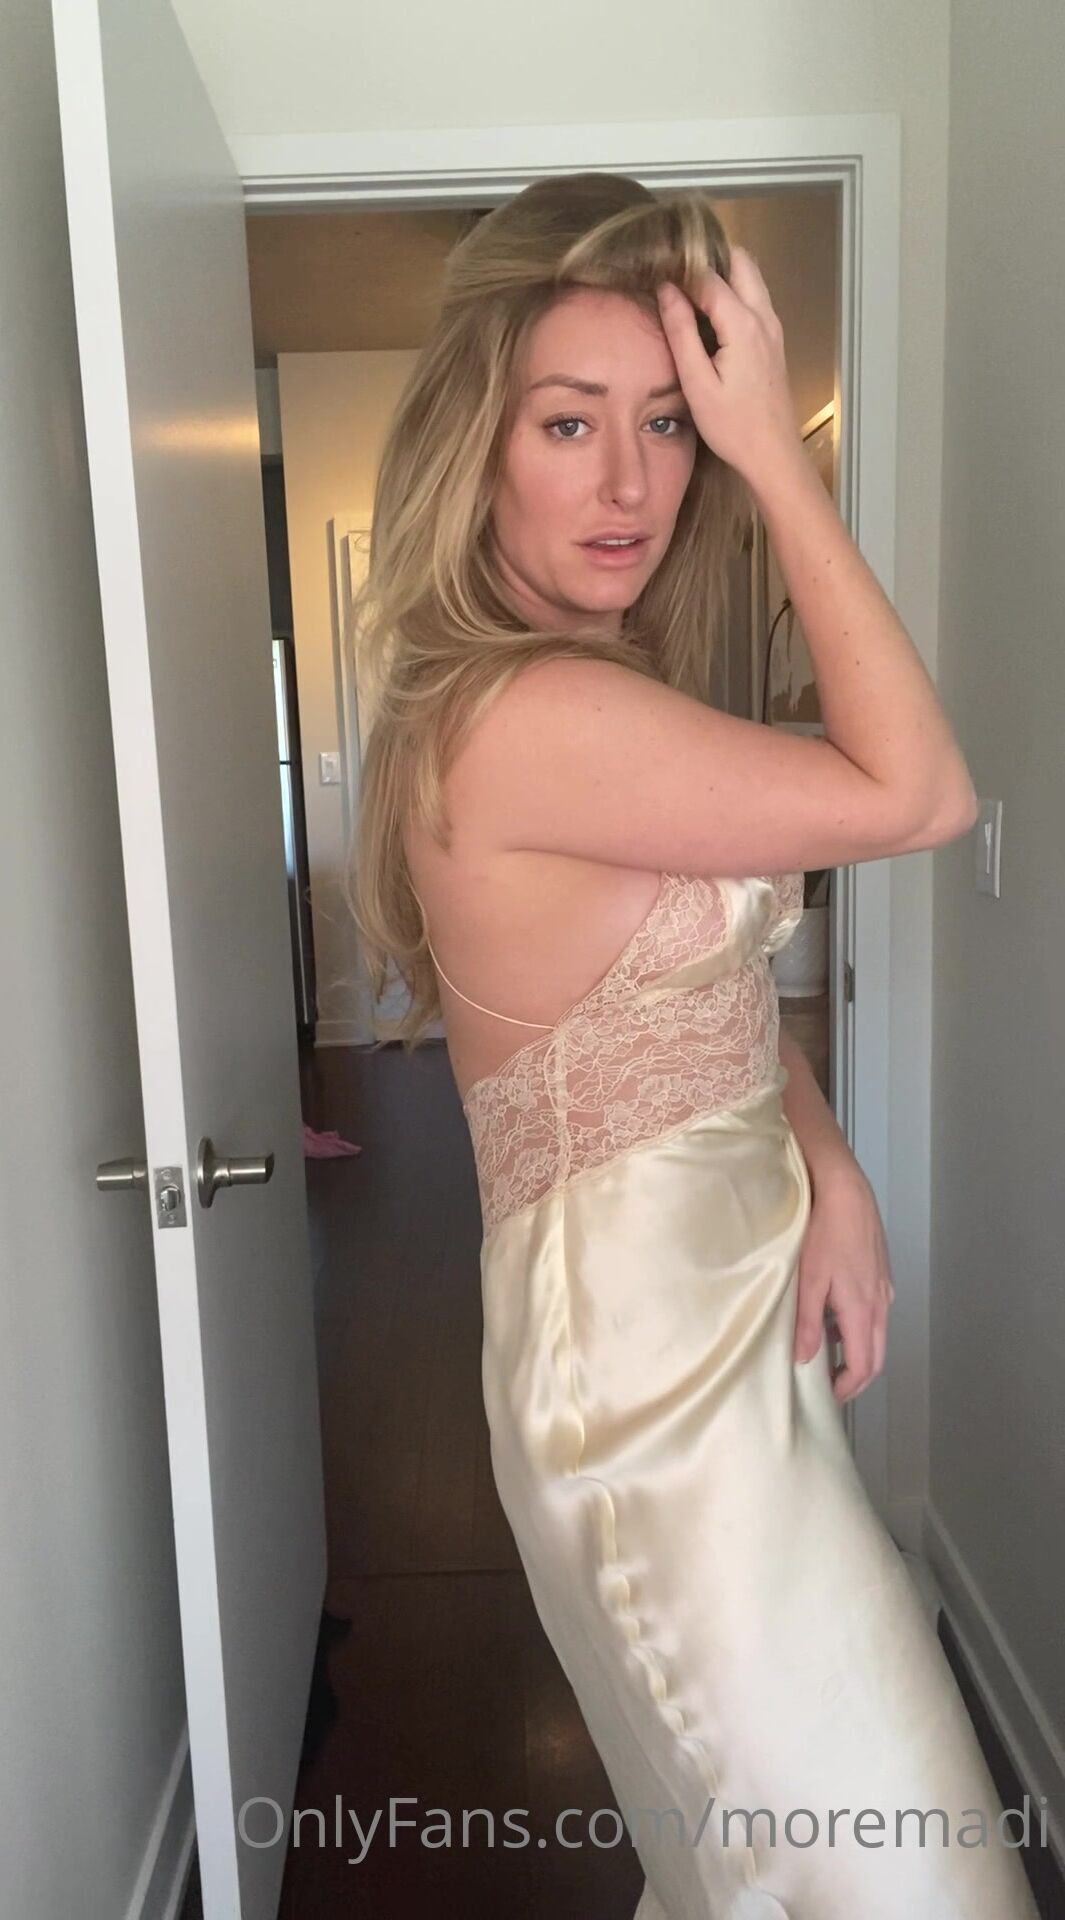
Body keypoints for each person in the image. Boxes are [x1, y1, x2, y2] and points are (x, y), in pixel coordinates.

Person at [349, 174, 1039, 1918]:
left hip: (706, 1330)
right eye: (568, 422)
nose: (632, 482)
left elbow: (683, 996)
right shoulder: (526, 714)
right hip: (646, 1374)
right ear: (474, 444)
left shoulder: (583, 687)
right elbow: (921, 793)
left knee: (803, 1858)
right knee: (879, 1871)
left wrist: (827, 1160)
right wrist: (778, 461)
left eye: (668, 421)